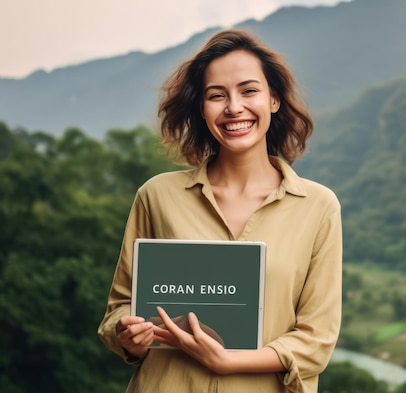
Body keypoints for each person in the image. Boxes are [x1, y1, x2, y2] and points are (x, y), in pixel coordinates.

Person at [98, 29, 343, 393]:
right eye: (217, 95)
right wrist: (127, 334)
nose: (233, 107)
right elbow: (119, 309)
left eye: (249, 91)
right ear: (202, 108)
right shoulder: (157, 196)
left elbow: (316, 339)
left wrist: (229, 362)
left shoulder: (318, 207)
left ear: (273, 99)